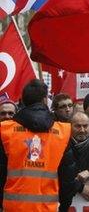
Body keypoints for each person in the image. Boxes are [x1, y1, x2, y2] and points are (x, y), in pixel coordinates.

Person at [0, 79, 77, 211]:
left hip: (13, 207)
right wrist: (64, 205)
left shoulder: (5, 130)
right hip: (48, 208)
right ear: (44, 100)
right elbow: (67, 177)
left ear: (23, 100)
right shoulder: (62, 132)